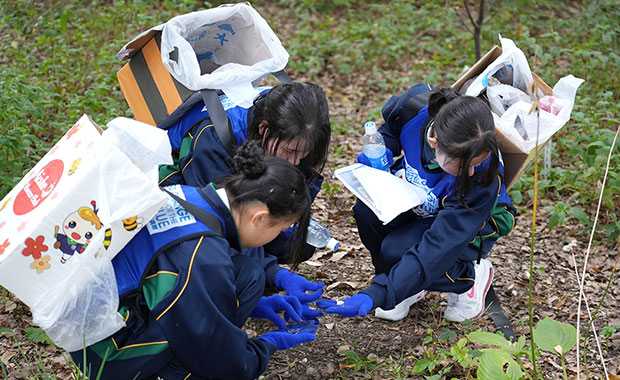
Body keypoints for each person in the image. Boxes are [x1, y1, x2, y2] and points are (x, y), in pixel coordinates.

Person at [72, 142, 321, 379]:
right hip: (106, 353)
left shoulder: (189, 195)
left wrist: (258, 304)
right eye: (281, 229)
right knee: (208, 351)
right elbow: (219, 353)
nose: (277, 237)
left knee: (249, 275)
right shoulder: (203, 254)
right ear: (259, 218)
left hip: (97, 317)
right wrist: (265, 346)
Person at [317, 86, 516, 323]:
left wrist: (377, 294)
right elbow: (391, 130)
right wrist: (384, 151)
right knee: (367, 212)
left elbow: (440, 245)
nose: (470, 171)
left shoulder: (481, 178)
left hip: (474, 222)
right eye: (462, 166)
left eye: (477, 163)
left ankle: (470, 277)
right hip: (422, 197)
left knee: (396, 249)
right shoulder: (414, 108)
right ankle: (401, 284)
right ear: (434, 142)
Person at [157, 81, 331, 314]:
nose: (296, 161)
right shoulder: (212, 140)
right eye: (290, 151)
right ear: (264, 129)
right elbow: (223, 216)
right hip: (175, 196)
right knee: (249, 273)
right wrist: (275, 275)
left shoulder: (291, 115)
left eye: (305, 153)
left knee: (297, 244)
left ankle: (255, 276)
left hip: (231, 191)